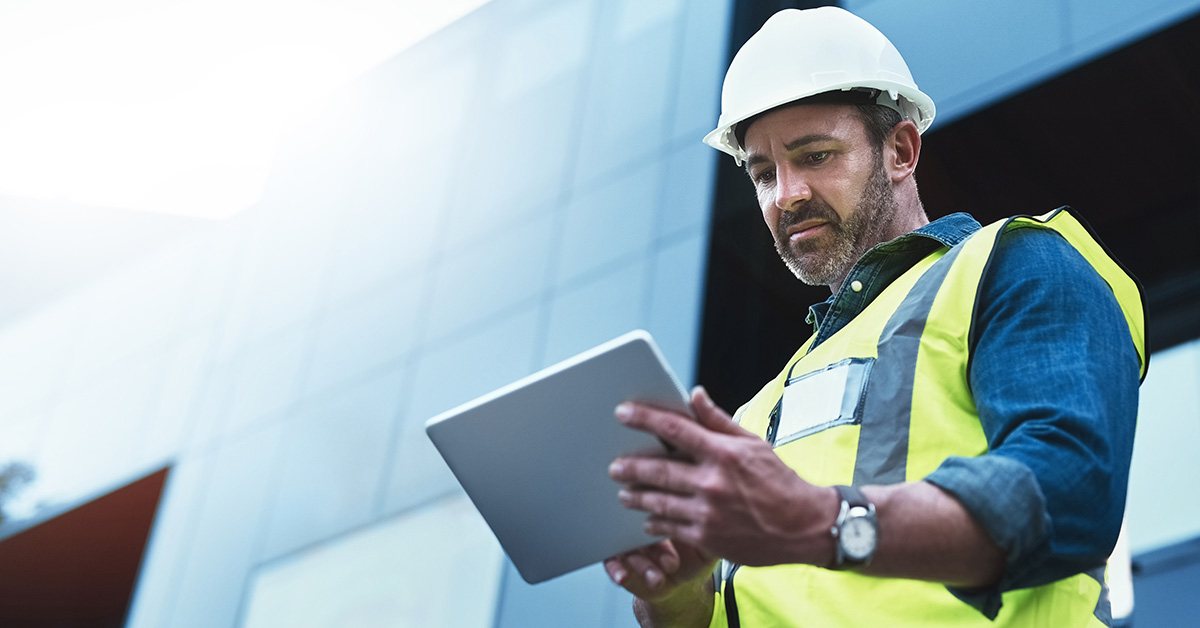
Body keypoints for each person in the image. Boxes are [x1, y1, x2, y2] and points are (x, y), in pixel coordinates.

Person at [603, 7, 1146, 627]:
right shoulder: (752, 419)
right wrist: (675, 591)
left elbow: (1070, 493)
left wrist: (820, 522)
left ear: (900, 150)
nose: (787, 194)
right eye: (763, 173)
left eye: (814, 156)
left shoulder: (1014, 266)